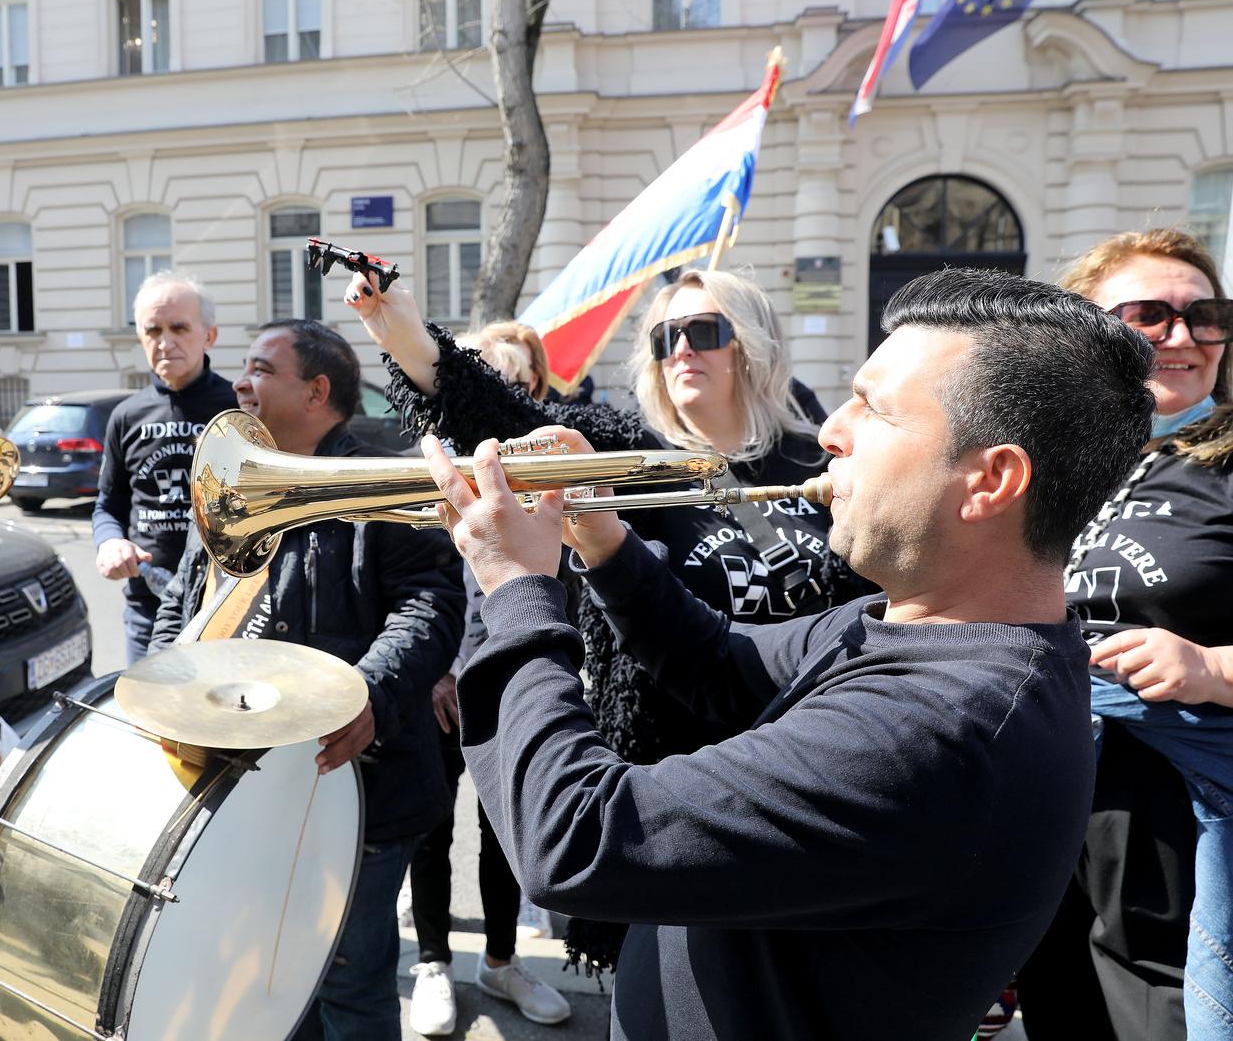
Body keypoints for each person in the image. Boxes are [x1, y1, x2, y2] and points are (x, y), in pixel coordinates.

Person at [422, 267, 1156, 1039]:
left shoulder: (936, 726)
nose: (833, 429)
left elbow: (573, 838)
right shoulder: (926, 629)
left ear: (992, 480)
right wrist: (602, 539)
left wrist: (515, 590)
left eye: (873, 407)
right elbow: (723, 660)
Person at [348, 266, 869, 971]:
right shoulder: (632, 451)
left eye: (703, 330)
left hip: (813, 774)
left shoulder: (819, 455)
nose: (681, 348)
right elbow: (512, 425)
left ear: (751, 344)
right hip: (678, 787)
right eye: (665, 335)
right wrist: (408, 337)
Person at [148, 318, 464, 1040]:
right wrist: (160, 679)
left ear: (317, 391)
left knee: (347, 988)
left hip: (355, 792)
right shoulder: (237, 473)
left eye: (261, 369)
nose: (240, 383)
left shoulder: (379, 477)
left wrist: (372, 697)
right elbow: (188, 595)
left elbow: (433, 604)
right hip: (250, 790)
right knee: (269, 985)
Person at [1018, 228, 1233, 1040]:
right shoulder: (1050, 465)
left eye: (1205, 315)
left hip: (1177, 806)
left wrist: (1212, 663)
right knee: (1060, 1003)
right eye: (1149, 314)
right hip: (1047, 782)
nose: (1183, 336)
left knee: (1158, 1010)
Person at [405, 322, 570, 1037]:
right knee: (430, 825)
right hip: (445, 676)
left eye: (523, 383)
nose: (511, 400)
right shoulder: (436, 464)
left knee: (507, 827)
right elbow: (420, 583)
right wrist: (440, 669)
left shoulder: (552, 463)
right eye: (494, 381)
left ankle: (501, 961)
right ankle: (436, 961)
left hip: (513, 668)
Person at [92, 271, 235, 665]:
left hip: (224, 607)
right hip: (147, 611)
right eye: (152, 330)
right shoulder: (125, 416)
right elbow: (108, 505)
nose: (165, 342)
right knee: (149, 722)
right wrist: (109, 542)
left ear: (210, 335)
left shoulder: (238, 407)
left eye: (179, 327)